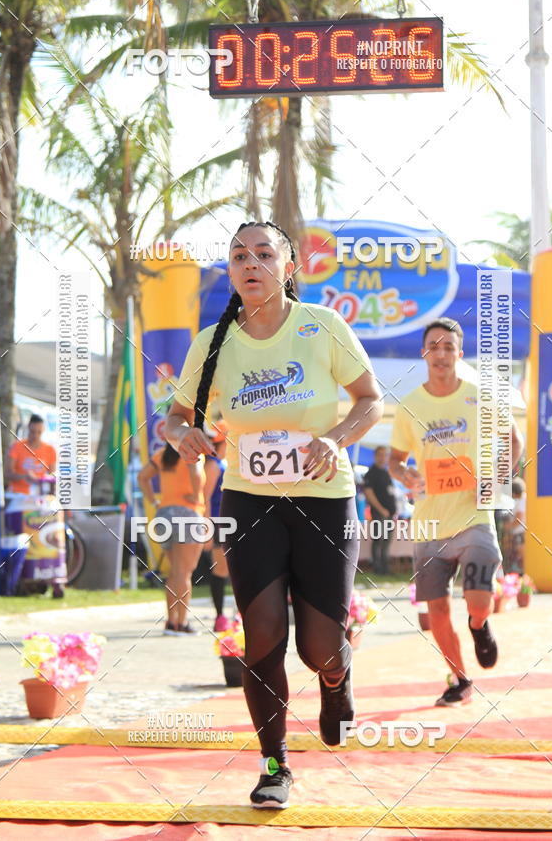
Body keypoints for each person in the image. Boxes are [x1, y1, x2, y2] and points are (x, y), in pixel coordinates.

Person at [166, 220, 382, 808]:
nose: (250, 263)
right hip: (249, 498)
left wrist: (336, 439)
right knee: (261, 633)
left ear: (290, 267)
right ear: (231, 272)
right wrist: (180, 434)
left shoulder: (322, 328)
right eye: (239, 256)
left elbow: (370, 399)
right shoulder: (212, 342)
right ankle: (273, 765)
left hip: (324, 499)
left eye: (265, 254)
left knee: (318, 648)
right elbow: (177, 414)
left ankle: (336, 683)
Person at [389, 317, 524, 706]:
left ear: (459, 354)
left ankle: (479, 625)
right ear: (424, 353)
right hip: (429, 522)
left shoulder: (480, 395)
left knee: (478, 601)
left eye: (449, 347)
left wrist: (497, 480)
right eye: (435, 346)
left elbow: (513, 440)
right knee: (437, 611)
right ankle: (460, 679)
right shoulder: (409, 405)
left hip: (473, 519)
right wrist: (406, 475)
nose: (442, 353)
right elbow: (396, 460)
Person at [138, 442, 205, 635]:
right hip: (188, 514)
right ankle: (181, 624)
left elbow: (142, 477)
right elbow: (196, 473)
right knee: (185, 573)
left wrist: (153, 501)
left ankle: (170, 621)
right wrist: (196, 495)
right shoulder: (193, 451)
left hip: (164, 514)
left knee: (175, 572)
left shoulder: (162, 454)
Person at [203, 420, 231, 632]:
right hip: (219, 522)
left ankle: (231, 615)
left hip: (231, 520)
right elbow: (205, 496)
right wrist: (206, 528)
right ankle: (220, 616)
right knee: (221, 569)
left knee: (234, 569)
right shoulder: (213, 463)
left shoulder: (224, 462)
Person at [363, 446, 397, 574]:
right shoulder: (371, 473)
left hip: (390, 513)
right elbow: (369, 493)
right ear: (375, 456)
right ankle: (377, 568)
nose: (383, 457)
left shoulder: (387, 472)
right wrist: (381, 509)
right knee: (378, 540)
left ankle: (385, 568)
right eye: (380, 455)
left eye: (385, 455)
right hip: (379, 513)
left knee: (387, 541)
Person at [6, 414, 56, 494]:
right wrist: (24, 476)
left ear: (43, 430)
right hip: (17, 494)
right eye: (32, 432)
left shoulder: (50, 449)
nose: (35, 435)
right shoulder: (16, 446)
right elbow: (8, 474)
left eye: (39, 432)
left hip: (40, 495)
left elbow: (52, 476)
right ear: (28, 428)